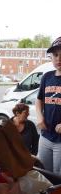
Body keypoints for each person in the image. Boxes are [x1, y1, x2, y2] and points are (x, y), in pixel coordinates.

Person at [36, 36, 61, 174]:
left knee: (58, 178)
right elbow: (39, 100)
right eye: (55, 54)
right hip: (45, 136)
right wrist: (40, 117)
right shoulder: (47, 77)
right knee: (43, 173)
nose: (58, 58)